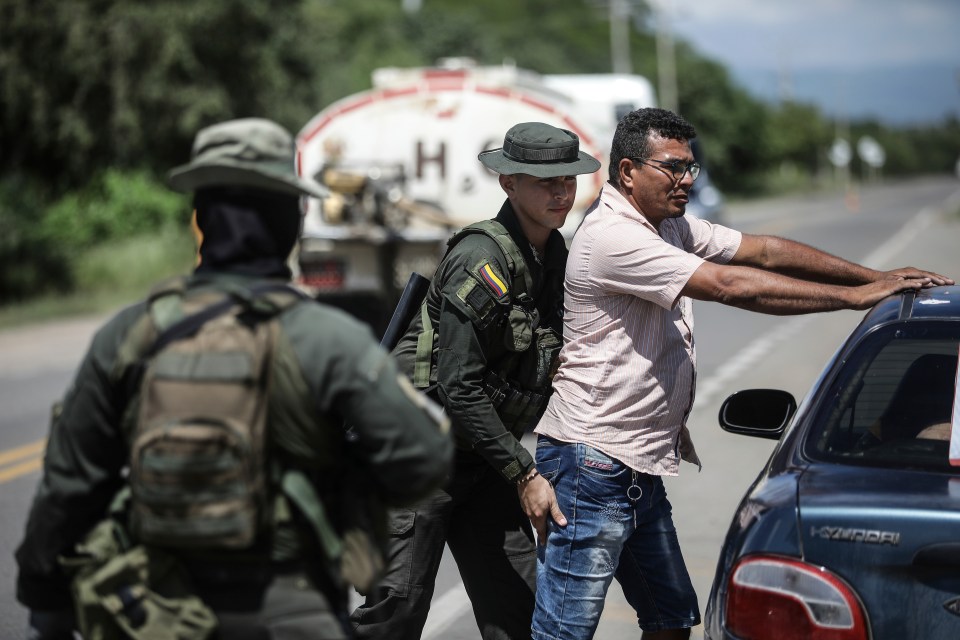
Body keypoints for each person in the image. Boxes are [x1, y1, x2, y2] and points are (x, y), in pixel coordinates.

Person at [15, 117, 453, 640]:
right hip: (291, 608)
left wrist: (43, 592)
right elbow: (424, 458)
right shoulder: (327, 338)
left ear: (201, 219)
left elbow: (70, 484)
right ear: (288, 223)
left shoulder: (131, 334)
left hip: (155, 611)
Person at [530, 107, 954, 640]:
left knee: (671, 618)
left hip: (632, 463)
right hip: (591, 463)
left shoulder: (669, 225)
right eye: (672, 168)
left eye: (691, 168)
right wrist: (852, 298)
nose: (686, 179)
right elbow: (732, 285)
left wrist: (877, 278)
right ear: (627, 172)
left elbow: (767, 250)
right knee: (564, 631)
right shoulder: (614, 237)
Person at [350, 122, 600, 640]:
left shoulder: (555, 256)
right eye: (543, 180)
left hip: (482, 459)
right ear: (508, 183)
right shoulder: (483, 257)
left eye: (568, 179)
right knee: (393, 612)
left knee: (522, 616)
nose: (560, 192)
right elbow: (457, 385)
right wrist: (524, 474)